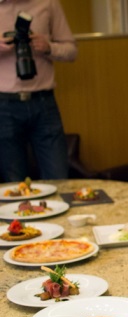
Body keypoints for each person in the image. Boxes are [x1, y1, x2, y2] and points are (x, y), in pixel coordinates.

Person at [0, 0, 77, 182]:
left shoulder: (48, 3)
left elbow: (72, 51)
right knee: (14, 185)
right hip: (4, 106)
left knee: (58, 179)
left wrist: (49, 47)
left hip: (44, 104)